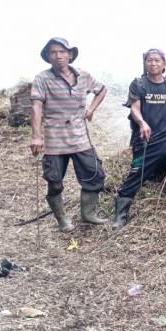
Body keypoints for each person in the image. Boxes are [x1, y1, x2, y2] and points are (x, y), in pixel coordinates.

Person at [30, 37, 108, 232]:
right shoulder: (42, 78)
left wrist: (91, 109)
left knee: (94, 174)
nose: (58, 56)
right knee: (54, 181)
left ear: (70, 54)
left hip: (80, 137)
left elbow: (101, 89)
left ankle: (87, 214)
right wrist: (37, 136)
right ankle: (62, 219)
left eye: (62, 52)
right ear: (48, 57)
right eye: (53, 52)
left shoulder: (83, 75)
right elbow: (36, 107)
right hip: (55, 140)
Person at [112, 48, 166, 230]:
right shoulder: (139, 84)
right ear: (145, 63)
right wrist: (142, 123)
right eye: (149, 60)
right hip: (147, 138)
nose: (153, 64)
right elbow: (135, 108)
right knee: (137, 173)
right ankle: (121, 212)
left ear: (164, 64)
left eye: (157, 60)